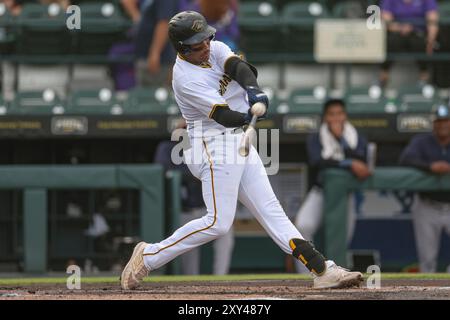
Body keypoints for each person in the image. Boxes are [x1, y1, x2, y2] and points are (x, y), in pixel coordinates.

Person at [120, 11, 363, 290]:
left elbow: (239, 68)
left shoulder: (212, 49)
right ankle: (148, 255)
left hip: (235, 140)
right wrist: (249, 116)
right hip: (209, 145)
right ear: (182, 49)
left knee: (272, 211)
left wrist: (254, 91)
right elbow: (223, 115)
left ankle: (322, 269)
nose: (207, 46)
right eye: (198, 44)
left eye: (207, 39)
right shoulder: (185, 78)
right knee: (218, 223)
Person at [294, 99, 371, 273]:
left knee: (342, 238)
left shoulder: (355, 136)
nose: (336, 118)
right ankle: (305, 276)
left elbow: (362, 160)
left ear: (345, 116)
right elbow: (317, 161)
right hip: (320, 192)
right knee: (303, 226)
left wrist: (341, 140)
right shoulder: (316, 137)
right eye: (331, 114)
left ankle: (339, 277)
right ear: (325, 118)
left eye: (339, 114)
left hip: (344, 195)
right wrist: (348, 162)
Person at [154, 121, 234, 275]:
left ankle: (221, 277)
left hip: (207, 208)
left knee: (226, 234)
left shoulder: (208, 146)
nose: (187, 132)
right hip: (184, 210)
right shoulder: (168, 148)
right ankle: (192, 283)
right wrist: (195, 174)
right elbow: (164, 172)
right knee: (188, 249)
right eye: (183, 128)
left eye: (190, 128)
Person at [399, 104, 450, 273]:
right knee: (427, 260)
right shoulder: (422, 141)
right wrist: (430, 166)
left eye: (446, 121)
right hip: (427, 205)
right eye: (439, 121)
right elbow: (405, 159)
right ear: (434, 124)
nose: (443, 125)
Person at [379, 0, 439, 87]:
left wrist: (430, 40)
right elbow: (386, 18)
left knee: (421, 44)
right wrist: (400, 28)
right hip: (396, 32)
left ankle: (424, 79)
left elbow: (432, 19)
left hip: (418, 33)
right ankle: (383, 78)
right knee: (390, 43)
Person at [133, 0, 179, 87]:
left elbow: (165, 23)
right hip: (145, 55)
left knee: (157, 95)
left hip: (161, 59)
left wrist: (155, 53)